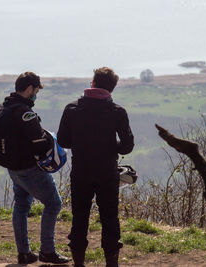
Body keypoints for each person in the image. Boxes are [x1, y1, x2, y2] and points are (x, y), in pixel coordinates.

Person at [57, 67, 134, 267]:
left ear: (92, 83)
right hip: (107, 172)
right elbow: (127, 146)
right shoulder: (117, 112)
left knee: (79, 218)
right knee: (110, 218)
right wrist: (110, 146)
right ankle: (111, 263)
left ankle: (79, 263)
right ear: (112, 88)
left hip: (81, 171)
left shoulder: (72, 109)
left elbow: (64, 140)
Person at [3, 72, 70, 265]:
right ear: (30, 89)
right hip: (30, 169)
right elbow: (40, 143)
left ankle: (24, 253)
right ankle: (47, 251)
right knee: (53, 203)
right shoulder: (25, 113)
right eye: (36, 91)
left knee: (22, 205)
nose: (36, 95)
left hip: (13, 168)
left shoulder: (5, 107)